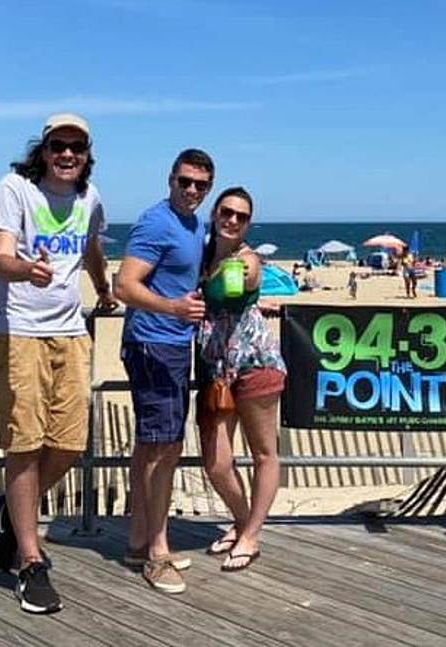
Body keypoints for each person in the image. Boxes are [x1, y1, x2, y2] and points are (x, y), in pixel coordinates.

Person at [0, 113, 116, 614]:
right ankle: (30, 559)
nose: (67, 155)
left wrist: (103, 290)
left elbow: (92, 247)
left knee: (68, 443)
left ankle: (8, 509)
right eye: (59, 145)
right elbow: (0, 256)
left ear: (87, 155)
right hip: (18, 332)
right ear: (43, 149)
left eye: (77, 148)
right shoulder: (15, 189)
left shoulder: (89, 198)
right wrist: (25, 270)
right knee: (25, 444)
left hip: (71, 335)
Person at [114, 148, 214, 594]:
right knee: (163, 449)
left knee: (153, 446)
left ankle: (139, 540)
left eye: (200, 185)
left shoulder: (194, 225)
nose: (191, 190)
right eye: (184, 182)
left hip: (173, 345)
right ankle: (157, 552)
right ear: (170, 179)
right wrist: (172, 308)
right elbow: (125, 285)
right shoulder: (156, 221)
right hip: (154, 344)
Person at [196, 187, 286, 572]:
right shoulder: (200, 252)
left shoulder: (246, 259)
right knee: (216, 462)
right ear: (215, 213)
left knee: (263, 452)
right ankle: (243, 519)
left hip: (255, 363)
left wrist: (236, 282)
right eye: (227, 212)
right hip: (216, 370)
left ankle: (251, 536)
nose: (233, 220)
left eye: (242, 216)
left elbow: (245, 282)